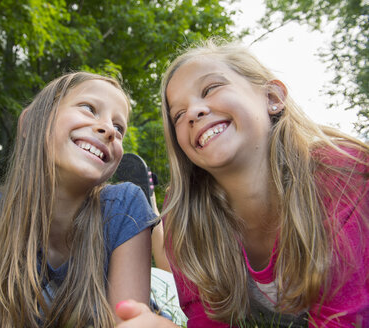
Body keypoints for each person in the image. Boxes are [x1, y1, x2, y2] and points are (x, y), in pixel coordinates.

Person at [115, 39, 369, 328]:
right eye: (179, 115)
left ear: (272, 97)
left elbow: (346, 321)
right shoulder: (185, 214)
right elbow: (210, 320)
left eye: (210, 89)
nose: (194, 112)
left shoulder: (340, 173)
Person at [0, 72, 155, 328]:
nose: (110, 129)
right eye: (89, 108)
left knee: (168, 278)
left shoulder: (126, 204)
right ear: (33, 123)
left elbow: (127, 322)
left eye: (119, 128)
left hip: (155, 287)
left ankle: (151, 204)